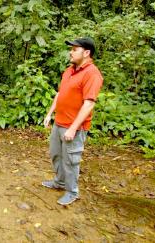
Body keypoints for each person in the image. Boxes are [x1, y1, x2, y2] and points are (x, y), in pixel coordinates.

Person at [42, 37, 103, 205]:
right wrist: (49, 114)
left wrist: (73, 128)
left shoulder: (92, 74)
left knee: (71, 160)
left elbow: (89, 104)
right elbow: (60, 94)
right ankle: (60, 182)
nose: (71, 51)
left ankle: (72, 191)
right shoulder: (69, 70)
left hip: (74, 127)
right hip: (59, 122)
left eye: (75, 49)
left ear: (86, 53)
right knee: (56, 155)